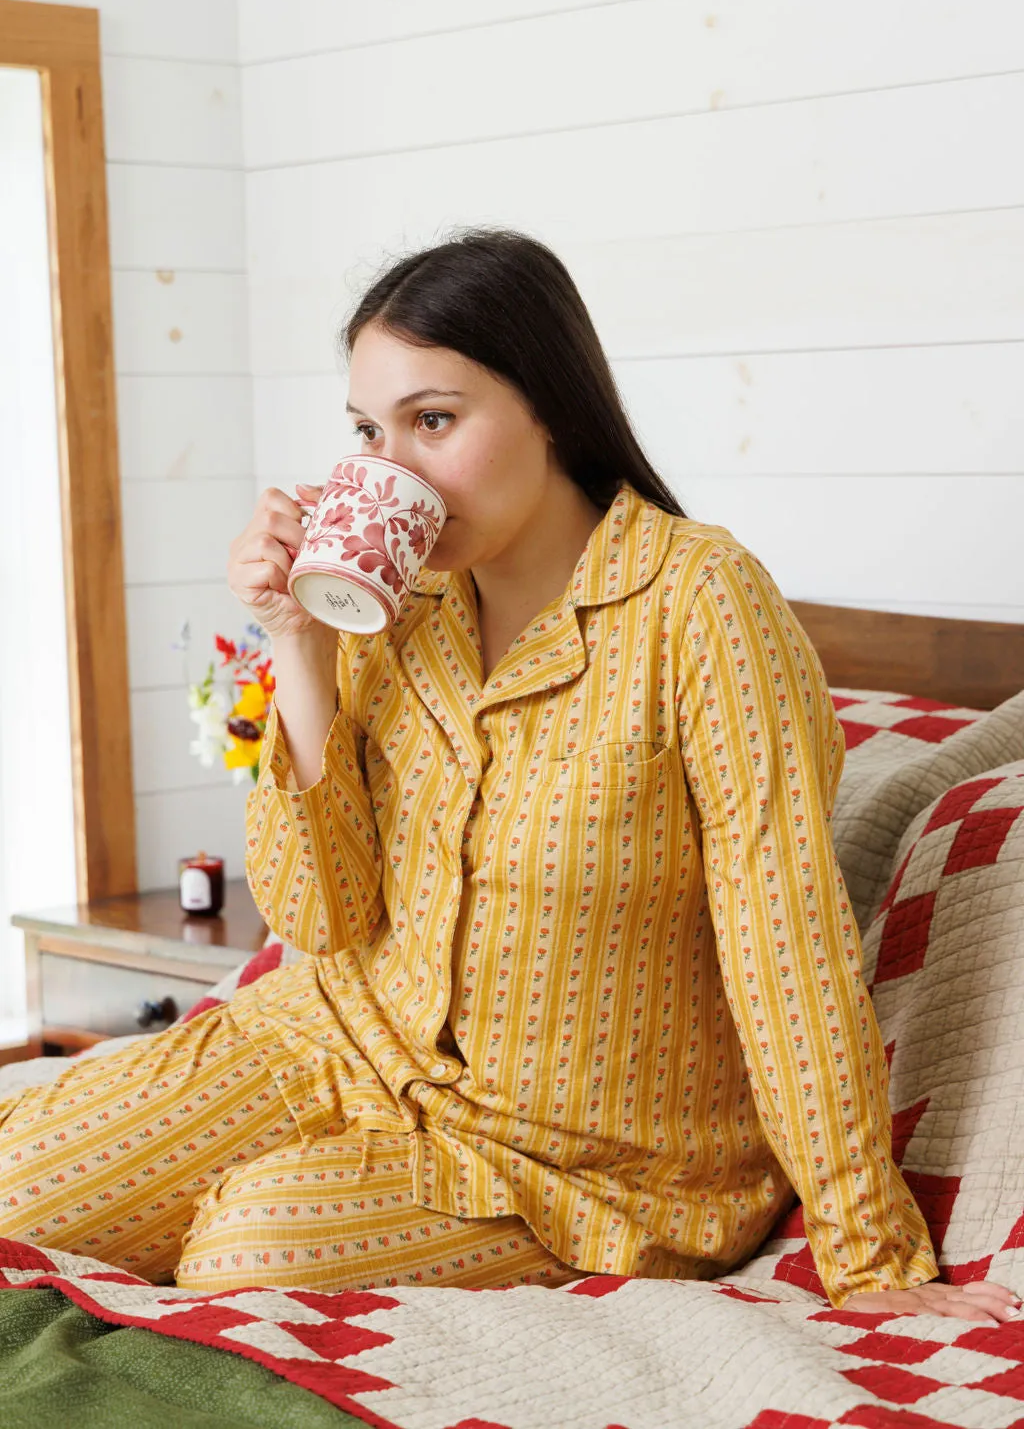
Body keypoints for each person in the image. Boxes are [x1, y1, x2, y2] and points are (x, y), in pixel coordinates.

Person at [0, 229, 1018, 1328]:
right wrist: (297, 644)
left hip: (580, 1157)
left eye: (432, 421)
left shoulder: (701, 603)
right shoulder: (402, 608)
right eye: (367, 432)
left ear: (550, 406)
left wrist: (868, 1254)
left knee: (250, 1254)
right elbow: (318, 915)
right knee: (19, 1182)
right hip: (335, 1039)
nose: (392, 471)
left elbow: (787, 942)